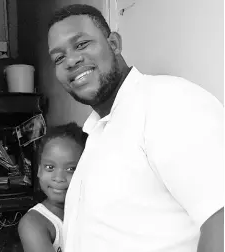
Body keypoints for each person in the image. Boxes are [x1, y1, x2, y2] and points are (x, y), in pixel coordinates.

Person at [47, 4, 224, 252]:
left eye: (81, 44)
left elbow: (221, 218)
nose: (71, 61)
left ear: (114, 44)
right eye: (59, 58)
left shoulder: (167, 103)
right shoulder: (97, 133)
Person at [18, 122, 87, 252]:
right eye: (50, 167)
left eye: (71, 169)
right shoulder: (34, 223)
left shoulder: (92, 211)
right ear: (39, 170)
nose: (59, 178)